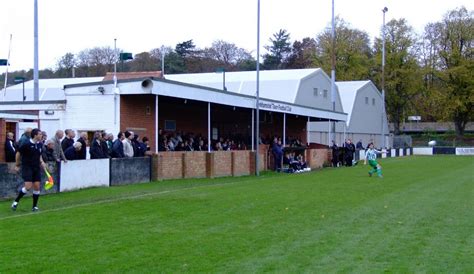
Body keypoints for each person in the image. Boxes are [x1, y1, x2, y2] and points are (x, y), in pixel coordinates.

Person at [11, 128, 48, 212]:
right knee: (28, 186)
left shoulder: (39, 144)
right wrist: (17, 165)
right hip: (27, 167)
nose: (41, 135)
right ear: (35, 135)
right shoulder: (26, 144)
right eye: (40, 134)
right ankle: (16, 201)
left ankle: (34, 206)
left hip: (36, 167)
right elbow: (18, 153)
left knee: (37, 186)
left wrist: (42, 162)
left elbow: (39, 155)